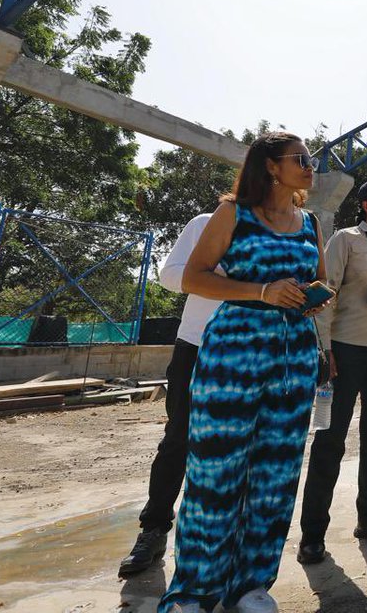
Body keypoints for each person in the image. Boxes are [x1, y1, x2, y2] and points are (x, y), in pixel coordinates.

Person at [158, 132, 329, 613]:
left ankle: (251, 585)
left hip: (293, 358)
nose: (310, 166)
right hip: (233, 356)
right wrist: (262, 292)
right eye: (301, 158)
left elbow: (315, 276)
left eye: (311, 160)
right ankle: (194, 591)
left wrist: (311, 296)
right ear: (271, 165)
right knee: (215, 473)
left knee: (276, 473)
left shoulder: (310, 222)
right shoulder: (233, 213)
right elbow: (193, 276)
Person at [296, 179, 367, 564]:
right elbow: (325, 292)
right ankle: (312, 534)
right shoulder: (345, 240)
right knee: (330, 440)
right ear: (365, 205)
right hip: (345, 350)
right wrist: (325, 349)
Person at [118, 212, 215, 578]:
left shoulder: (278, 230)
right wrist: (222, 281)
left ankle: (219, 536)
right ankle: (154, 528)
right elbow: (171, 275)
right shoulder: (206, 223)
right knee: (178, 439)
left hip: (251, 349)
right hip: (198, 344)